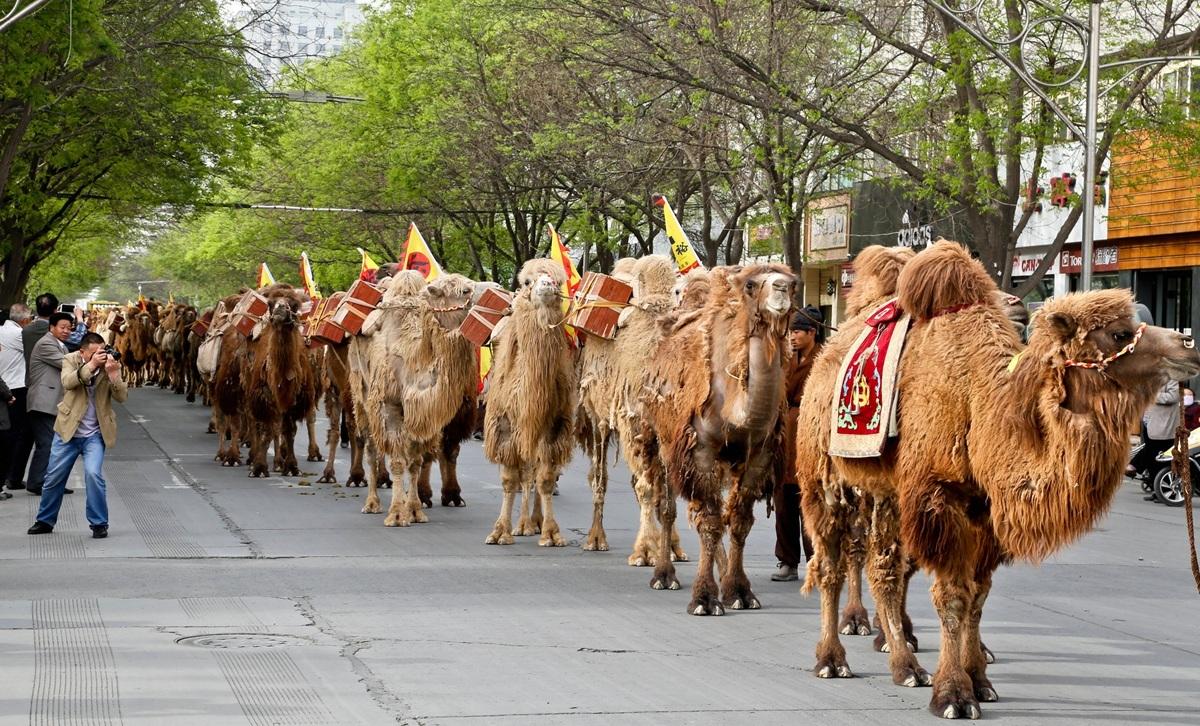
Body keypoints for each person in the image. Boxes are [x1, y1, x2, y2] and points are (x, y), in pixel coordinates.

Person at [28, 332, 126, 537]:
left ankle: (99, 523)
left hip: (95, 434)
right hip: (68, 430)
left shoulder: (109, 363)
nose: (100, 355)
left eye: (102, 350)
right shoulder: (70, 359)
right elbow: (68, 382)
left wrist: (114, 375)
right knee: (54, 476)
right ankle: (45, 521)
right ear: (82, 352)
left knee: (93, 474)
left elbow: (121, 397)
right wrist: (90, 366)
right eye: (94, 353)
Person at [771, 305, 824, 582]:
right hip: (785, 431)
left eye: (797, 332)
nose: (791, 337)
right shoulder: (784, 358)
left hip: (810, 427)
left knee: (812, 500)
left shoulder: (824, 358)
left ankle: (816, 560)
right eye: (790, 332)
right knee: (783, 502)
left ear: (812, 333)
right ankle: (786, 561)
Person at [25, 312, 75, 496]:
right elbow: (66, 364)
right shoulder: (46, 343)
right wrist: (90, 358)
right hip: (42, 402)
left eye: (69, 328)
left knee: (51, 444)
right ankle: (38, 483)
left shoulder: (60, 345)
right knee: (47, 444)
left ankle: (46, 482)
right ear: (51, 327)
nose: (66, 331)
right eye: (62, 327)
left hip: (51, 403)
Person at [1128, 379, 1180, 498]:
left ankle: (1166, 490)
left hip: (1164, 425)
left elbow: (1172, 397)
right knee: (1152, 458)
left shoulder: (1171, 379)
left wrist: (1150, 395)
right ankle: (1155, 489)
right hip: (1149, 423)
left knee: (1160, 456)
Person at [0, 304, 29, 493]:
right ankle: (10, 477)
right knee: (14, 435)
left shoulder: (2, 330)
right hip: (14, 390)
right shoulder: (19, 335)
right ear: (25, 320)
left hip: (4, 386)